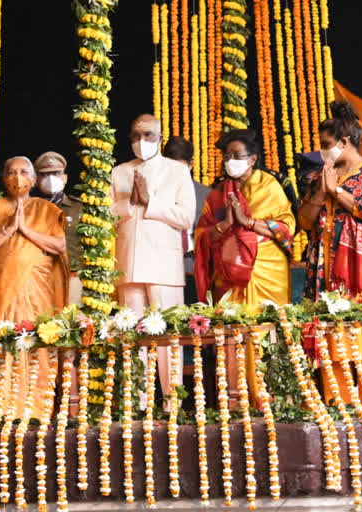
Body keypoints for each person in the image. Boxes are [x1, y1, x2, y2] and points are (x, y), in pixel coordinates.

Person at [297, 100, 362, 404]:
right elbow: (304, 222)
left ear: (343, 142)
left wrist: (337, 193)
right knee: (330, 334)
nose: (322, 150)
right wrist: (319, 193)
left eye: (326, 144)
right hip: (326, 263)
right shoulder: (319, 177)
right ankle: (336, 405)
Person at [194, 130, 295, 404]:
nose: (230, 161)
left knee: (265, 331)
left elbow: (285, 228)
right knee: (233, 332)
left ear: (253, 159)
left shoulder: (269, 185)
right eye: (226, 156)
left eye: (236, 156)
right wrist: (226, 224)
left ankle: (272, 398)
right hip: (230, 275)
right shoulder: (218, 194)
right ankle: (236, 401)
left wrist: (247, 222)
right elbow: (202, 237)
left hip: (266, 270)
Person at [111, 114, 196, 403]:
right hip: (128, 265)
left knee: (168, 338)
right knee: (133, 339)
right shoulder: (119, 172)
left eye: (147, 135)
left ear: (160, 137)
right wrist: (129, 203)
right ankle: (138, 405)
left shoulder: (177, 171)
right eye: (135, 136)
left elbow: (185, 217)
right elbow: (107, 215)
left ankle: (173, 402)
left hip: (163, 266)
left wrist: (151, 201)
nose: (140, 142)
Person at [0, 156, 68, 418]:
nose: (18, 178)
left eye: (24, 172)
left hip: (38, 291)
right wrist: (7, 230)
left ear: (34, 179)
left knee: (38, 343)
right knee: (6, 346)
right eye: (12, 172)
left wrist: (25, 229)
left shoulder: (47, 209)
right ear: (5, 178)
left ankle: (39, 411)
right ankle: (5, 411)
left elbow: (59, 246)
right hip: (3, 291)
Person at [162, 136, 212, 305]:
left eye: (180, 168)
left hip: (196, 269)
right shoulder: (153, 193)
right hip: (163, 268)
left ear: (191, 165)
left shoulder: (207, 195)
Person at [33, 151, 84, 305]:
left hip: (72, 277)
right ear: (36, 180)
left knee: (72, 325)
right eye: (45, 174)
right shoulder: (29, 208)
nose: (51, 179)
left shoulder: (80, 207)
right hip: (37, 278)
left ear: (65, 177)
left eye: (56, 173)